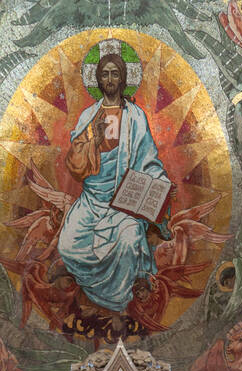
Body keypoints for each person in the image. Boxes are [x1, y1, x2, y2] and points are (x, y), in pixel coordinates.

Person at [57, 51, 172, 332]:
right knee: (67, 245)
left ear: (123, 79)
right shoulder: (88, 115)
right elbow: (75, 165)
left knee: (130, 237)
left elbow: (148, 160)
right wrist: (91, 138)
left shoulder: (135, 117)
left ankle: (116, 305)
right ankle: (78, 275)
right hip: (93, 200)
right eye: (105, 74)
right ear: (98, 80)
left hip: (124, 201)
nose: (110, 79)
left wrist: (159, 188)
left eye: (115, 74)